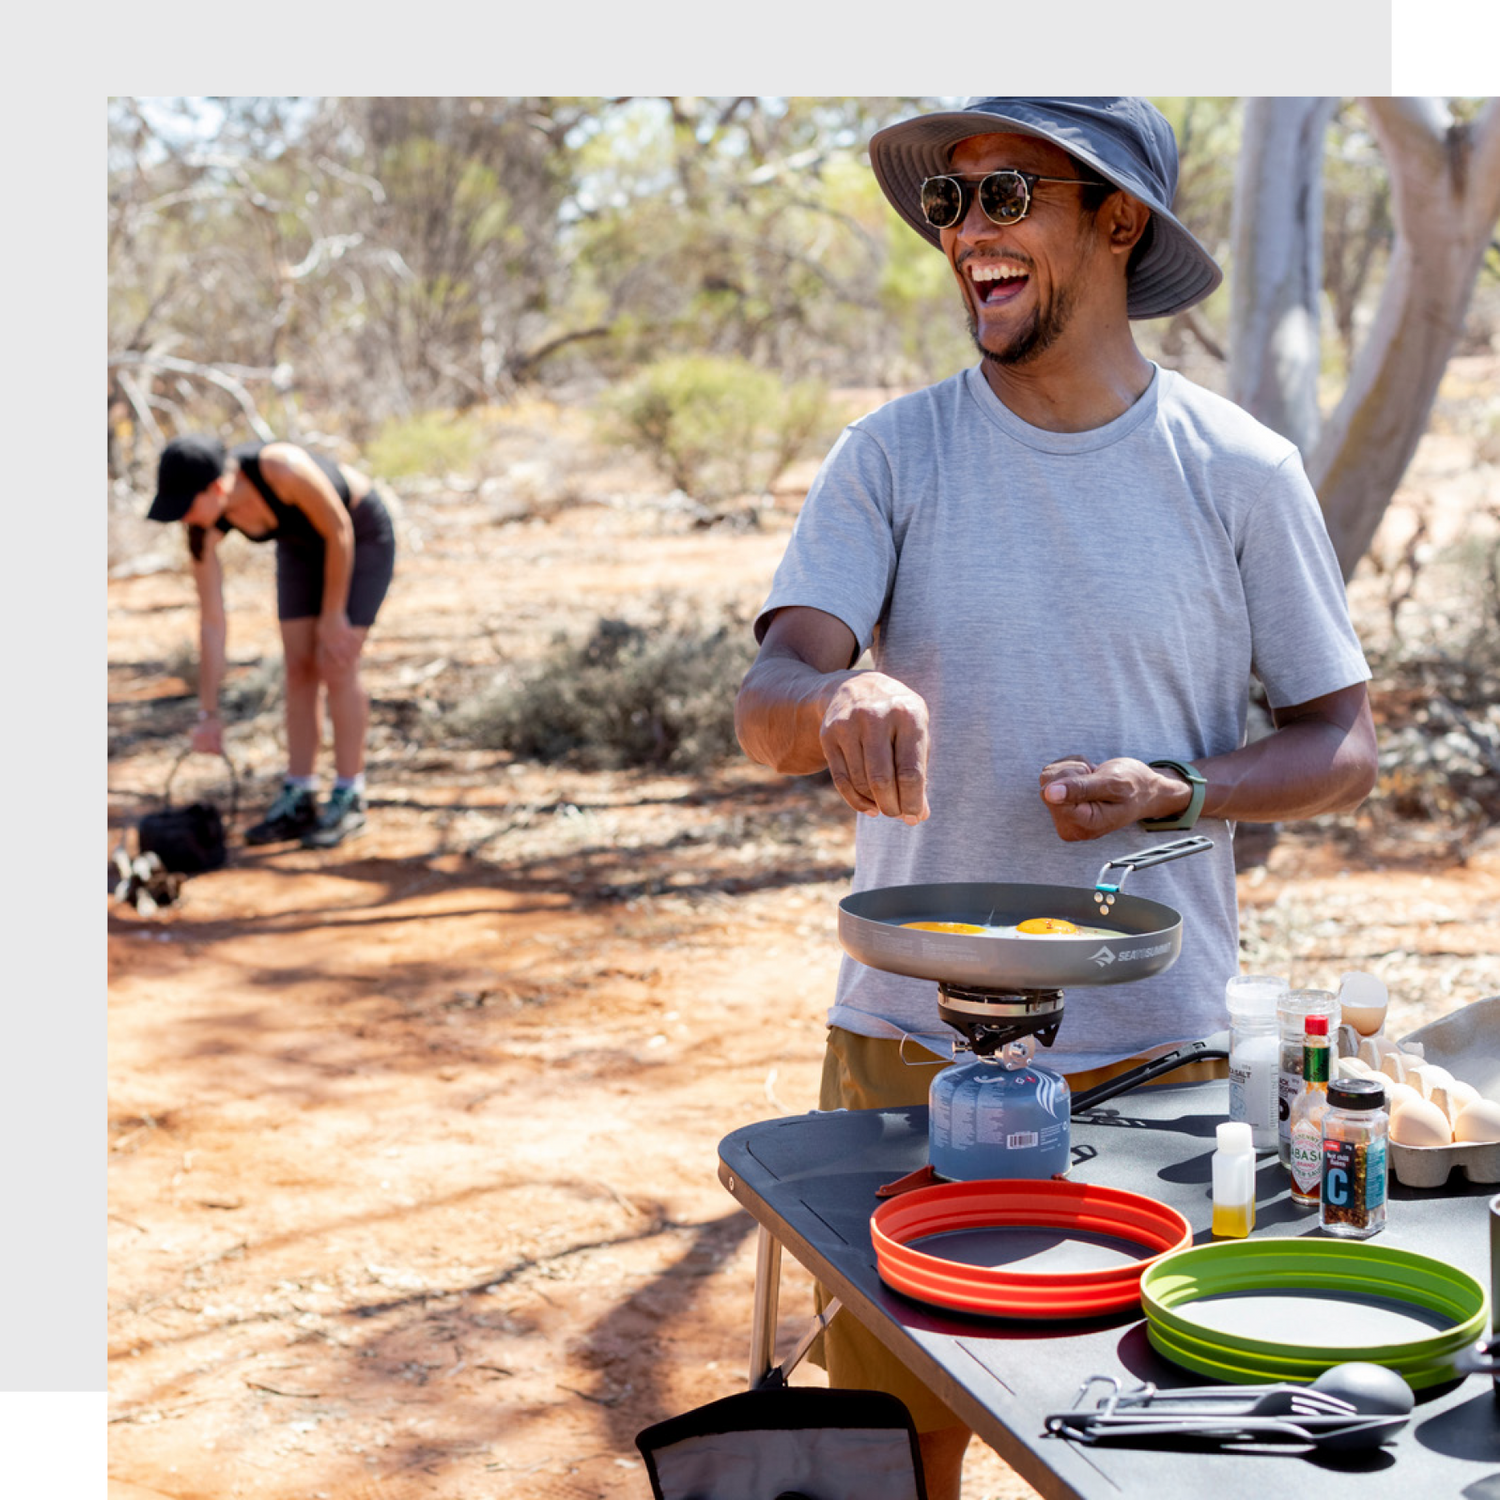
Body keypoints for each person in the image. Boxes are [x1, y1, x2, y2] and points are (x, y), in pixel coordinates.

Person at [733, 97, 1378, 1498]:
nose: (967, 232)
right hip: (908, 1052)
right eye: (949, 203)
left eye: (1007, 195)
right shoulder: (891, 456)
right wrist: (835, 700)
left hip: (1161, 1064)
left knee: (1154, 1448)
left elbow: (1343, 745)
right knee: (895, 1452)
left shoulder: (1242, 474)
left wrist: (1182, 790)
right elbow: (768, 696)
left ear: (1118, 219)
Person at [147, 433, 397, 849]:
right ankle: (299, 794)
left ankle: (349, 794)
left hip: (357, 533)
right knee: (298, 667)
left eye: (186, 506)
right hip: (299, 546)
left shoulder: (282, 468)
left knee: (336, 660)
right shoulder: (202, 530)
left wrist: (333, 614)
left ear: (217, 488)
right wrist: (208, 713)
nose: (183, 518)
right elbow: (212, 622)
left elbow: (339, 530)